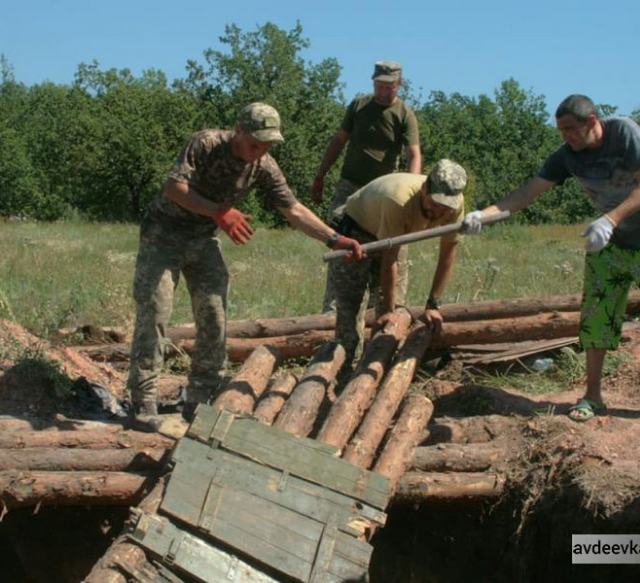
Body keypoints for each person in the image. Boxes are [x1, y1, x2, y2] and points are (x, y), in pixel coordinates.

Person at [465, 94, 640, 426]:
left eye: (570, 129)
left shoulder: (624, 133)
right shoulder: (566, 157)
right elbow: (527, 193)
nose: (566, 137)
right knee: (596, 318)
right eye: (561, 131)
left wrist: (609, 220)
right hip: (611, 246)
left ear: (592, 122)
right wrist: (484, 215)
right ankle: (593, 395)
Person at [127, 102, 363, 431]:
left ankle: (200, 397)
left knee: (214, 313)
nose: (259, 152)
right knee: (155, 309)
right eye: (255, 144)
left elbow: (293, 209)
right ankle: (143, 399)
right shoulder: (206, 143)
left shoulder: (264, 165)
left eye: (267, 145)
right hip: (163, 234)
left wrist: (334, 239)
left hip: (202, 238)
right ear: (238, 132)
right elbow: (174, 187)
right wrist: (220, 212)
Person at [330, 159, 468, 364]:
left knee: (396, 307)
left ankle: (378, 361)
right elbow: (390, 258)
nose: (439, 212)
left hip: (396, 233)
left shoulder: (455, 207)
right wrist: (386, 310)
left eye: (445, 208)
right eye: (435, 204)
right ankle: (342, 365)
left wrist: (433, 305)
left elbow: (447, 254)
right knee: (350, 305)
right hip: (357, 229)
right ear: (424, 189)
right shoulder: (399, 200)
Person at [312, 61, 422, 313]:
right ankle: (333, 312)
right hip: (350, 186)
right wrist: (320, 175)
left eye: (389, 87)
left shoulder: (404, 114)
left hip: (385, 190)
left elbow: (414, 154)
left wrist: (412, 189)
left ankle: (388, 311)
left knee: (393, 246)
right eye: (379, 86)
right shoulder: (359, 105)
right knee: (338, 235)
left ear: (399, 85)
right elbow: (339, 140)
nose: (383, 92)